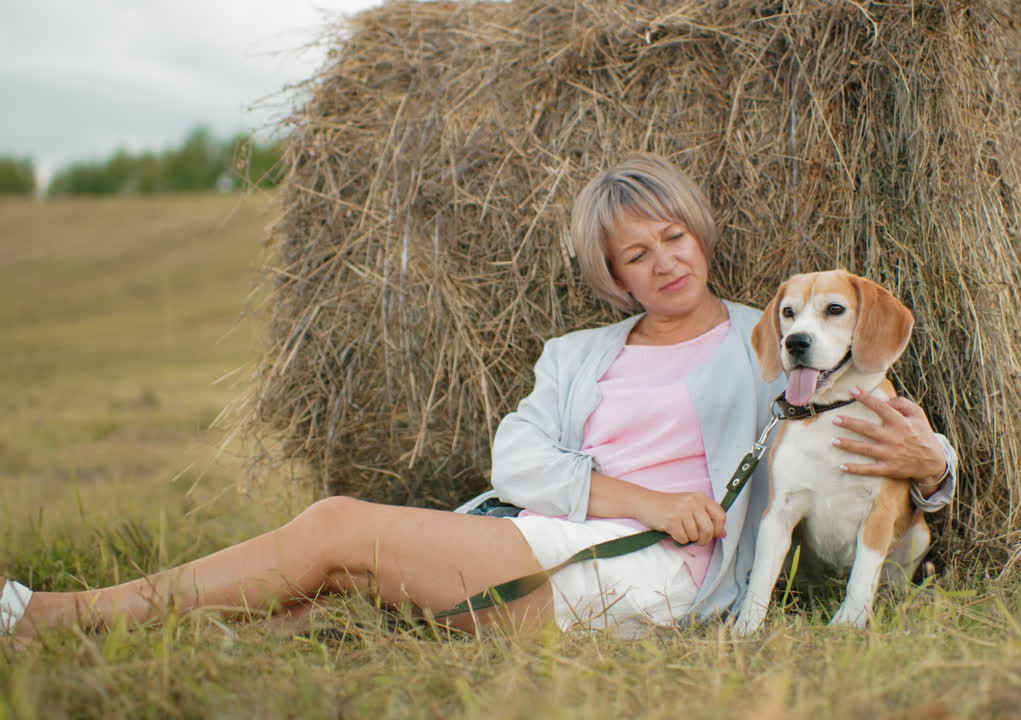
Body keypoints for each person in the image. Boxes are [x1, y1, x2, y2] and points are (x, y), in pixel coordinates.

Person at [0, 153, 955, 642]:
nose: (663, 262)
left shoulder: (775, 339)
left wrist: (937, 468)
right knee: (325, 582)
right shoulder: (575, 355)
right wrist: (642, 497)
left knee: (334, 530)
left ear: (698, 236)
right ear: (612, 275)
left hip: (656, 575)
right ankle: (109, 635)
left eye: (674, 238)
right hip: (566, 529)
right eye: (635, 254)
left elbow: (883, 444)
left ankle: (52, 620)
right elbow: (518, 460)